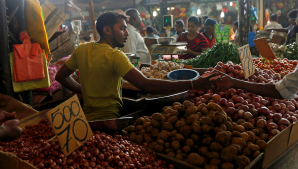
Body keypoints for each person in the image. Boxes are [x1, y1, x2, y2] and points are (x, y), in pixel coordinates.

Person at [55, 12, 217, 121]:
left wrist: (84, 90)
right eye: (122, 28)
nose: (126, 33)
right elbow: (146, 84)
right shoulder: (115, 56)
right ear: (107, 30)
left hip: (87, 118)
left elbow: (60, 76)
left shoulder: (82, 50)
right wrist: (193, 84)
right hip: (110, 119)